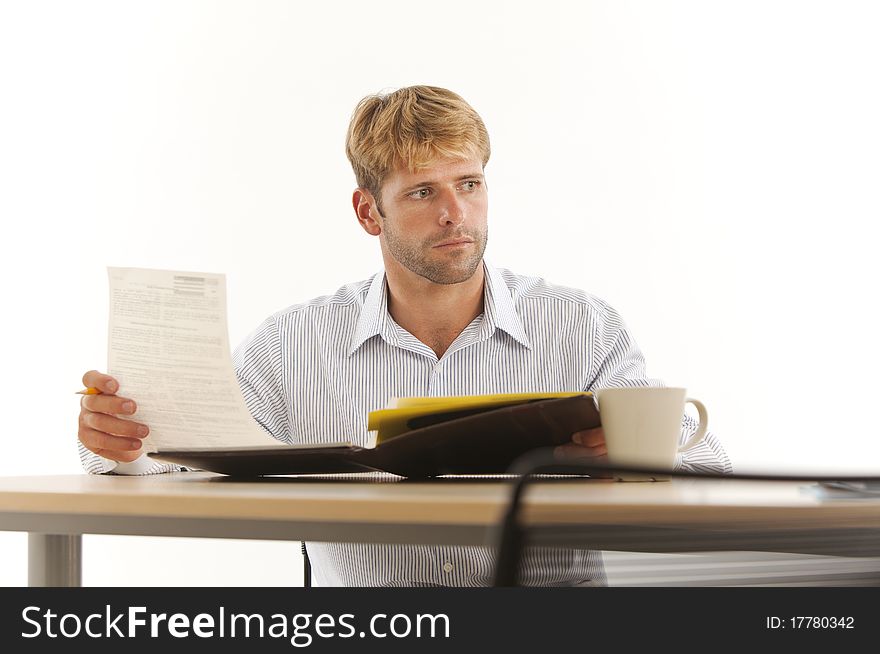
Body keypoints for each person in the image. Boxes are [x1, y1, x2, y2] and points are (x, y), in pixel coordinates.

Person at [78, 85, 731, 586]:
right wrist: (120, 436)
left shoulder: (580, 325)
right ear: (369, 211)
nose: (456, 213)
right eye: (422, 192)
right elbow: (177, 449)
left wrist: (640, 451)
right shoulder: (291, 345)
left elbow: (706, 460)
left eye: (469, 184)